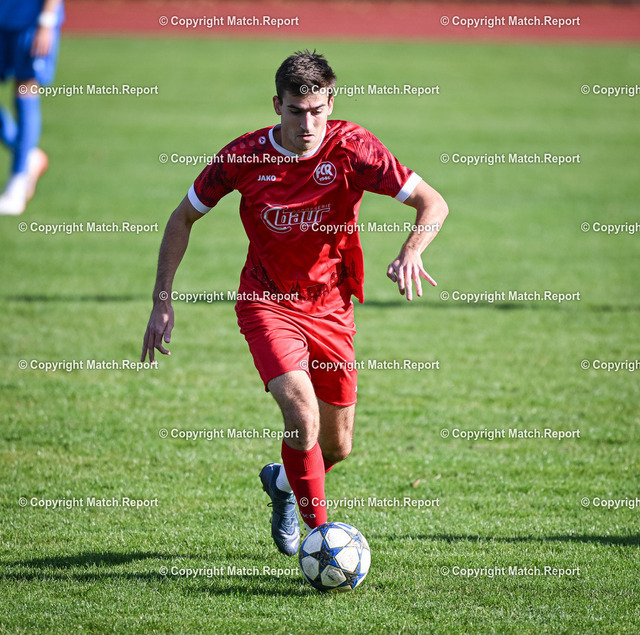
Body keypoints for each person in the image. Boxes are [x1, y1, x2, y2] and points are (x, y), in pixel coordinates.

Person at [141, 50, 448, 556]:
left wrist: (412, 249)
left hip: (331, 306)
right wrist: (162, 300)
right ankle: (321, 540)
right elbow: (182, 217)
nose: (307, 124)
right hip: (266, 301)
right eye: (295, 111)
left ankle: (282, 483)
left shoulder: (353, 148)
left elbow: (433, 202)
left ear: (331, 103)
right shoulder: (244, 156)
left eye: (317, 111)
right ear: (276, 105)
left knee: (336, 447)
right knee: (301, 413)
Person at [0, 0, 64, 215]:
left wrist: (46, 21)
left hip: (29, 18)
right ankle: (28, 154)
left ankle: (18, 184)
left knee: (25, 87)